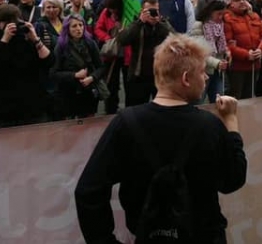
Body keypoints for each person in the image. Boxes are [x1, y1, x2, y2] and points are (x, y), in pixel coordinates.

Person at [74, 34, 247, 244]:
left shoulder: (125, 123)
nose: (206, 78)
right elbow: (233, 179)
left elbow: (88, 191)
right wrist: (231, 122)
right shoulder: (209, 126)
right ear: (186, 78)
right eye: (202, 72)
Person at [0, 4, 53, 128]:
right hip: (3, 111)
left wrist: (35, 39)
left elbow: (49, 61)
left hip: (32, 108)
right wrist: (4, 40)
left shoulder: (27, 41)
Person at [117, 0, 174, 107]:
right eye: (149, 11)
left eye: (155, 10)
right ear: (142, 11)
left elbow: (175, 38)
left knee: (161, 108)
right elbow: (122, 40)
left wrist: (160, 23)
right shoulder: (136, 24)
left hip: (159, 75)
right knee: (136, 108)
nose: (152, 14)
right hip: (139, 75)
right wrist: (140, 22)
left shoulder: (162, 24)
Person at [50, 15, 104, 120]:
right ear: (67, 29)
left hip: (88, 92)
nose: (78, 28)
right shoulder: (61, 46)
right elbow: (53, 73)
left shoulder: (90, 43)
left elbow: (101, 67)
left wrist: (92, 78)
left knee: (89, 124)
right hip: (68, 94)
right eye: (74, 26)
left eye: (81, 25)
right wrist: (75, 75)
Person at [222, 0, 262, 100]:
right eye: (238, 0)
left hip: (255, 65)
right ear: (231, 3)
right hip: (237, 67)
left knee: (250, 97)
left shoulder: (254, 16)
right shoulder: (227, 19)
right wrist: (246, 55)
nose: (242, 2)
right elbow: (227, 44)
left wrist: (261, 50)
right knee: (236, 97)